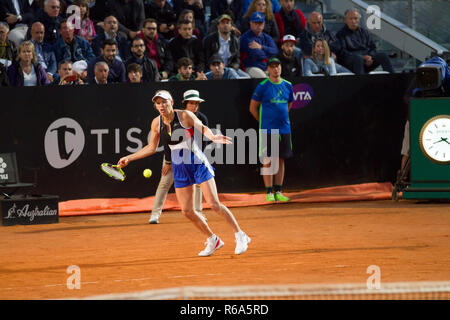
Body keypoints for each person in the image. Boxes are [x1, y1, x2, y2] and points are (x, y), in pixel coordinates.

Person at [117, 89, 251, 256]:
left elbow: (202, 128)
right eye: (158, 103)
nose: (161, 105)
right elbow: (151, 147)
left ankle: (241, 235)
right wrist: (129, 158)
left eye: (164, 102)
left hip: (197, 162)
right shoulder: (156, 123)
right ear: (155, 106)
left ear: (171, 102)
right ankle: (213, 240)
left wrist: (213, 137)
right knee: (187, 211)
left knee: (213, 204)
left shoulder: (185, 116)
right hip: (179, 166)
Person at [148, 89, 209, 224]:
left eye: (197, 103)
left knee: (198, 184)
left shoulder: (202, 118)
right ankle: (155, 214)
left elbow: (202, 141)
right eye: (191, 103)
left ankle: (198, 213)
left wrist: (198, 159)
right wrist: (168, 161)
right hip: (173, 155)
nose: (195, 106)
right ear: (186, 104)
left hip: (193, 155)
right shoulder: (179, 117)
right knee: (164, 183)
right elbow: (167, 142)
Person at [249, 57, 293, 202]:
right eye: (272, 66)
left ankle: (279, 191)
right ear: (268, 69)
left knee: (280, 159)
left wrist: (281, 119)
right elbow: (253, 108)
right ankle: (269, 192)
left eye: (277, 66)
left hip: (284, 129)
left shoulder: (288, 85)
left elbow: (289, 105)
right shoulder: (262, 86)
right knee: (268, 159)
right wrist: (264, 122)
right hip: (267, 129)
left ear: (281, 68)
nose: (275, 69)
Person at [334, 8, 394, 75]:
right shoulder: (340, 34)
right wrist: (362, 57)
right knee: (358, 59)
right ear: (346, 20)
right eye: (350, 19)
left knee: (383, 56)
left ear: (359, 20)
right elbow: (343, 53)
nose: (353, 21)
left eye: (355, 18)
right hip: (351, 63)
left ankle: (393, 79)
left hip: (367, 61)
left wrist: (370, 57)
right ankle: (361, 83)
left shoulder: (364, 32)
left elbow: (373, 48)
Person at [203, 13, 249, 78]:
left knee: (247, 77)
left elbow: (237, 60)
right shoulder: (209, 39)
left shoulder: (236, 40)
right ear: (218, 26)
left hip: (230, 69)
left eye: (227, 23)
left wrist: (231, 68)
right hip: (214, 68)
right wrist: (216, 67)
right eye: (223, 23)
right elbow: (207, 58)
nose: (225, 25)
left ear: (231, 26)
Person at [239, 11, 278, 78]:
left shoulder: (267, 37)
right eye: (256, 23)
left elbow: (275, 51)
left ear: (264, 24)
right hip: (251, 66)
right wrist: (268, 54)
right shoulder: (246, 37)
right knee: (265, 79)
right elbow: (257, 54)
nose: (258, 25)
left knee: (277, 76)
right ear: (251, 23)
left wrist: (261, 47)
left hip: (266, 66)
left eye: (260, 23)